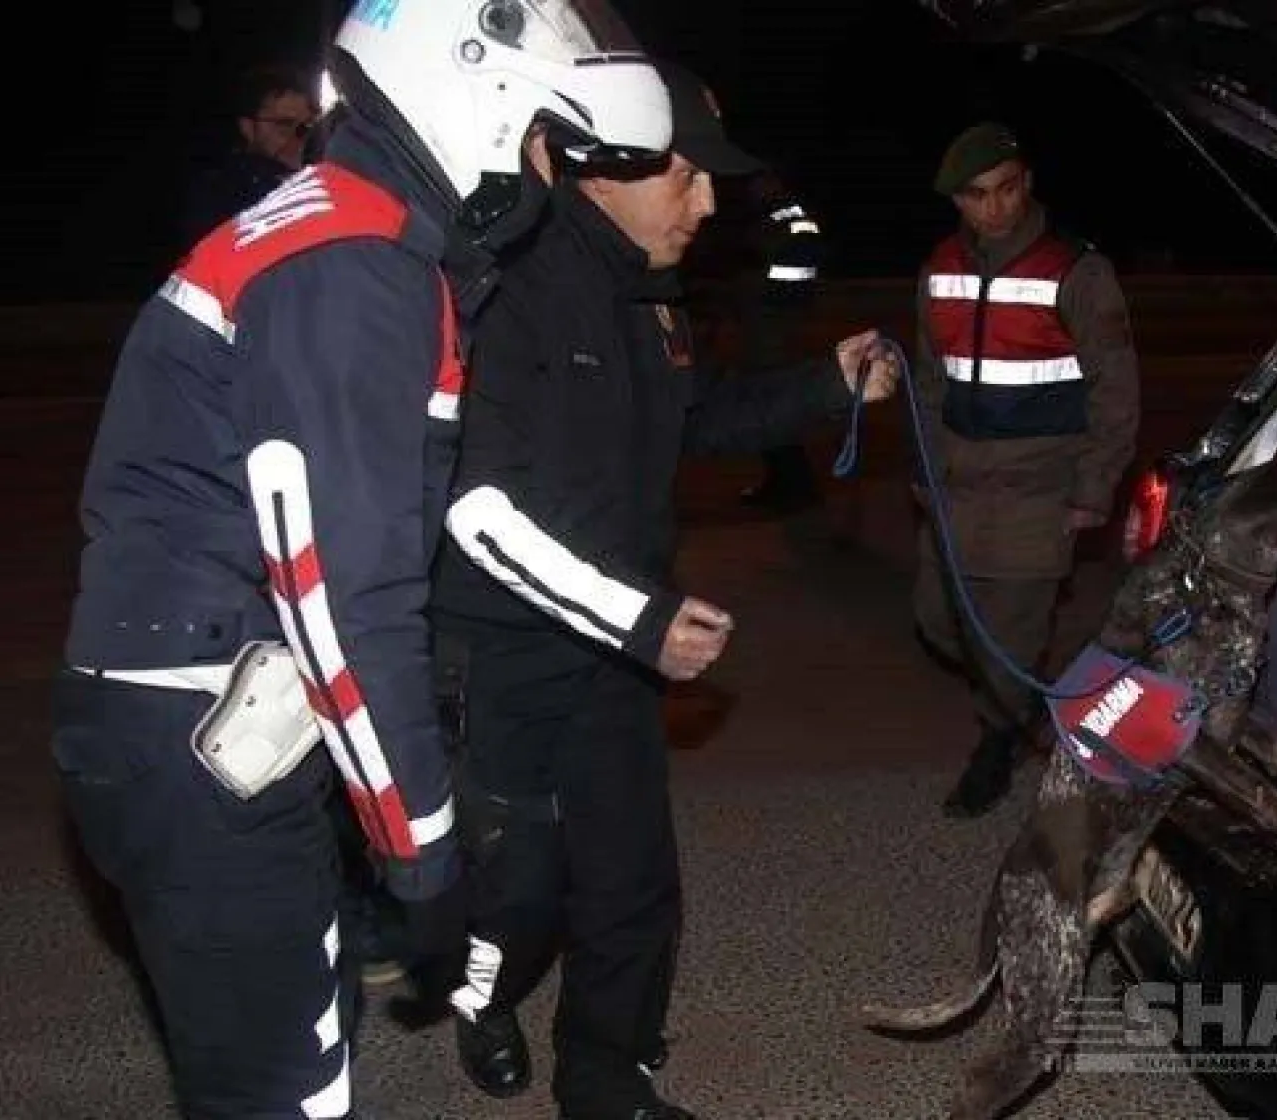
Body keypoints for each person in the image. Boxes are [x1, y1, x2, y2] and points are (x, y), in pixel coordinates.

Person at [48, 2, 672, 1116]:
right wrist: (424, 854)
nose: (544, 173)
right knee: (287, 1094)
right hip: (207, 733)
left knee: (284, 1050)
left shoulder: (346, 229)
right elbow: (341, 597)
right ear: (471, 97)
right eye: (542, 140)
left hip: (204, 715)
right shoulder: (353, 264)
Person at [427, 61, 901, 1120]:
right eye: (685, 176)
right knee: (519, 893)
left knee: (631, 885)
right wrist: (640, 620)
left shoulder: (650, 294)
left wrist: (826, 381)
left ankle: (607, 1078)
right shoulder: (506, 293)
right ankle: (481, 1000)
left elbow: (689, 424)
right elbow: (479, 512)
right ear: (599, 172)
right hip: (502, 653)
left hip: (612, 657)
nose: (706, 203)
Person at [911, 121, 1141, 819]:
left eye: (1007, 189)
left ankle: (998, 743)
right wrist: (921, 469)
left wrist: (1094, 488)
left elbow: (1116, 389)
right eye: (977, 196)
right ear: (956, 201)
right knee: (936, 621)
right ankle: (1018, 695)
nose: (996, 208)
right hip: (957, 486)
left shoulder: (1076, 271)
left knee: (1004, 634)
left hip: (1038, 490)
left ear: (1027, 182)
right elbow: (928, 381)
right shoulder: (940, 269)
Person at [734, 168, 829, 513]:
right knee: (768, 407)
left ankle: (794, 487)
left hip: (776, 329)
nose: (754, 188)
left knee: (773, 409)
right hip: (767, 326)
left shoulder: (787, 218)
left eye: (760, 181)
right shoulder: (768, 217)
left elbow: (797, 269)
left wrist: (756, 283)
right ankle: (784, 483)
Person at [180, 63, 318, 249]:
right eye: (283, 125)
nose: (298, 136)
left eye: (306, 127)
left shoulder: (321, 178)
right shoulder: (219, 191)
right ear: (248, 127)